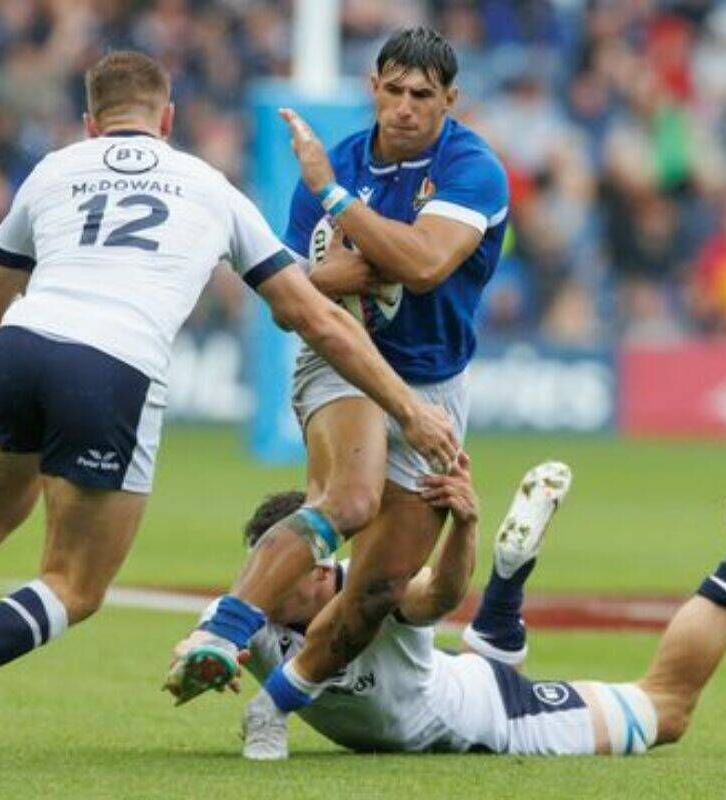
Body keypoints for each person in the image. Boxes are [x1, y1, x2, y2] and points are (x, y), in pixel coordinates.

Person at [0, 50, 457, 770]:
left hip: (25, 340)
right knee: (74, 585)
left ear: (91, 121)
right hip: (114, 362)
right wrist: (409, 407)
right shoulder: (208, 187)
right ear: (169, 118)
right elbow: (320, 320)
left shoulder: (54, 169)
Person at [167, 27, 511, 746]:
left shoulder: (471, 168)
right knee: (348, 499)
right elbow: (290, 288)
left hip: (436, 380)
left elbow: (422, 265)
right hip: (344, 357)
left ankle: (273, 708)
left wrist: (333, 195)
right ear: (374, 88)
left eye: (423, 96)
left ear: (451, 100)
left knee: (378, 592)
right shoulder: (348, 158)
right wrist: (340, 271)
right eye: (394, 90)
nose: (406, 107)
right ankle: (222, 631)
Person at [173, 460, 726, 759]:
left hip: (490, 719)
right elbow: (196, 646)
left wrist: (463, 528)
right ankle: (510, 578)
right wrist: (195, 664)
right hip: (453, 680)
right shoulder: (246, 608)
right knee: (478, 663)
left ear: (317, 567)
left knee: (665, 710)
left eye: (274, 565)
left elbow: (439, 596)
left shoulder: (375, 585)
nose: (257, 580)